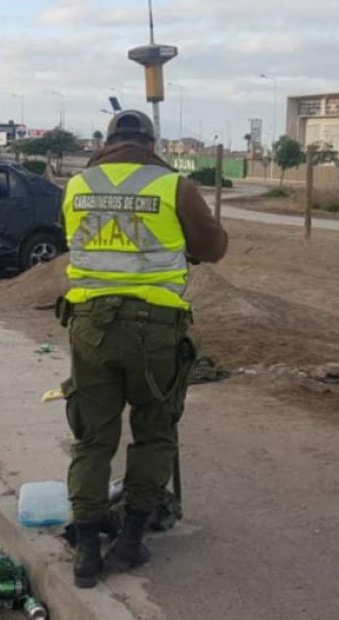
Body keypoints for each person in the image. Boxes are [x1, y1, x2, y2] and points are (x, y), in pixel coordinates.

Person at [57, 110, 227, 589]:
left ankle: (86, 551)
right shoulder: (174, 187)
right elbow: (212, 249)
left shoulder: (76, 186)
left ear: (107, 142)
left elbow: (73, 237)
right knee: (154, 431)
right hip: (155, 328)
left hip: (90, 324)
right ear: (151, 143)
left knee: (93, 437)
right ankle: (131, 540)